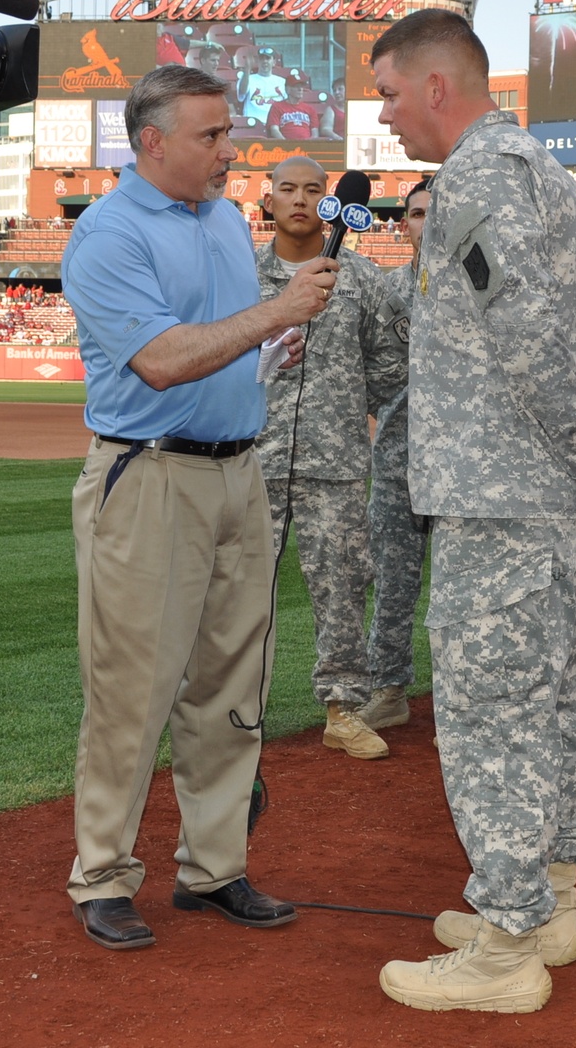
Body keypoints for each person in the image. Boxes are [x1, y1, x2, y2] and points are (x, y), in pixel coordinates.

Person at [367, 9, 576, 1014]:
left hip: (506, 492)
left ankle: (507, 941)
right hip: (548, 493)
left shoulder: (476, 175)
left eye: (389, 91)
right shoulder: (545, 170)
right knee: (555, 703)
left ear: (438, 85)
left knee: (491, 712)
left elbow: (523, 333)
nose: (384, 114)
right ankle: (549, 897)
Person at [61, 64, 333, 950]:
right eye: (212, 136)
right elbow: (165, 360)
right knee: (131, 690)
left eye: (228, 134)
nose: (230, 152)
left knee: (231, 686)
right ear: (153, 142)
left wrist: (266, 349)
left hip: (237, 471)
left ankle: (214, 868)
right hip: (149, 479)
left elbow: (221, 344)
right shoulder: (106, 235)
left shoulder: (219, 216)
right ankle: (102, 874)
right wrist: (279, 310)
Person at [255, 154, 405, 760]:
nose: (298, 199)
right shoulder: (239, 273)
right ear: (267, 201)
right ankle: (234, 709)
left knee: (342, 588)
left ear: (329, 200)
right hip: (251, 457)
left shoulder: (362, 279)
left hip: (336, 462)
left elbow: (394, 366)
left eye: (312, 189)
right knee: (238, 591)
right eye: (285, 188)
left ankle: (343, 709)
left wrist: (346, 401)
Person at [362, 181, 431, 732]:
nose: (424, 222)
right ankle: (387, 688)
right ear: (403, 223)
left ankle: (464, 697)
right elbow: (370, 377)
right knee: (393, 581)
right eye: (415, 214)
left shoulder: (485, 288)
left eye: (436, 213)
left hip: (472, 466)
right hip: (399, 461)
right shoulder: (389, 293)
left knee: (467, 589)